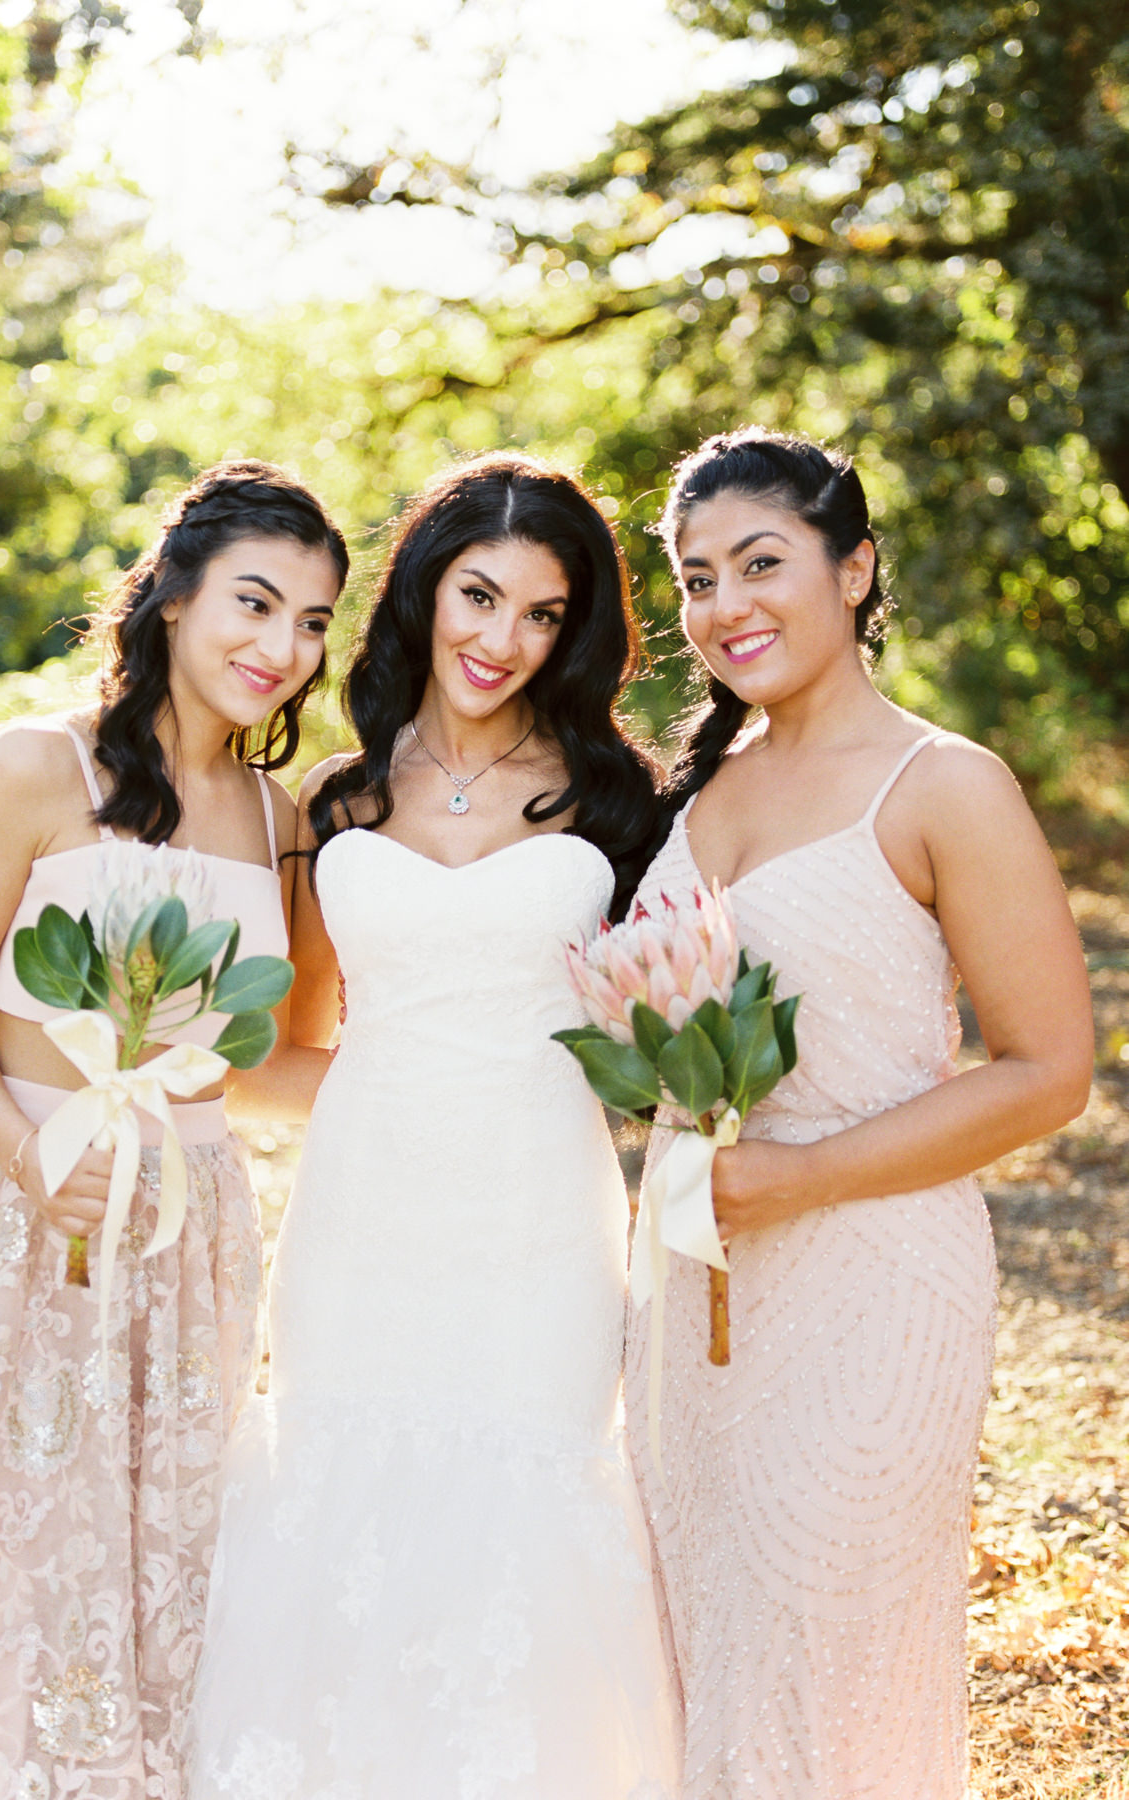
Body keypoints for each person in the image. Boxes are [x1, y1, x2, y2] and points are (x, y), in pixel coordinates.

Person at [0, 462, 349, 1800]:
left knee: (163, 1559)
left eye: (317, 622)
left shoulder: (286, 825)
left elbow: (270, 1065)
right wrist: (35, 1156)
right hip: (14, 1208)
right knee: (6, 1544)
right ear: (171, 600)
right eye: (256, 604)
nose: (283, 648)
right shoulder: (38, 766)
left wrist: (473, 1075)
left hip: (191, 1237)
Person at [188, 454, 685, 1798]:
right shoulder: (336, 800)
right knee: (345, 1507)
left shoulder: (622, 803)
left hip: (543, 1218)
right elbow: (288, 1050)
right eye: (478, 595)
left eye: (540, 613)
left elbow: (656, 1054)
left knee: (528, 1521)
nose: (501, 639)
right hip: (364, 1216)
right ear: (423, 591)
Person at [624, 428, 1093, 1798]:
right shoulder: (695, 790)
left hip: (875, 1284)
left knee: (828, 1649)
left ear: (856, 567)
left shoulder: (944, 784)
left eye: (761, 563)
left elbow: (1045, 1070)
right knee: (695, 1649)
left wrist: (808, 1173)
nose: (726, 606)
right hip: (691, 1291)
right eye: (699, 578)